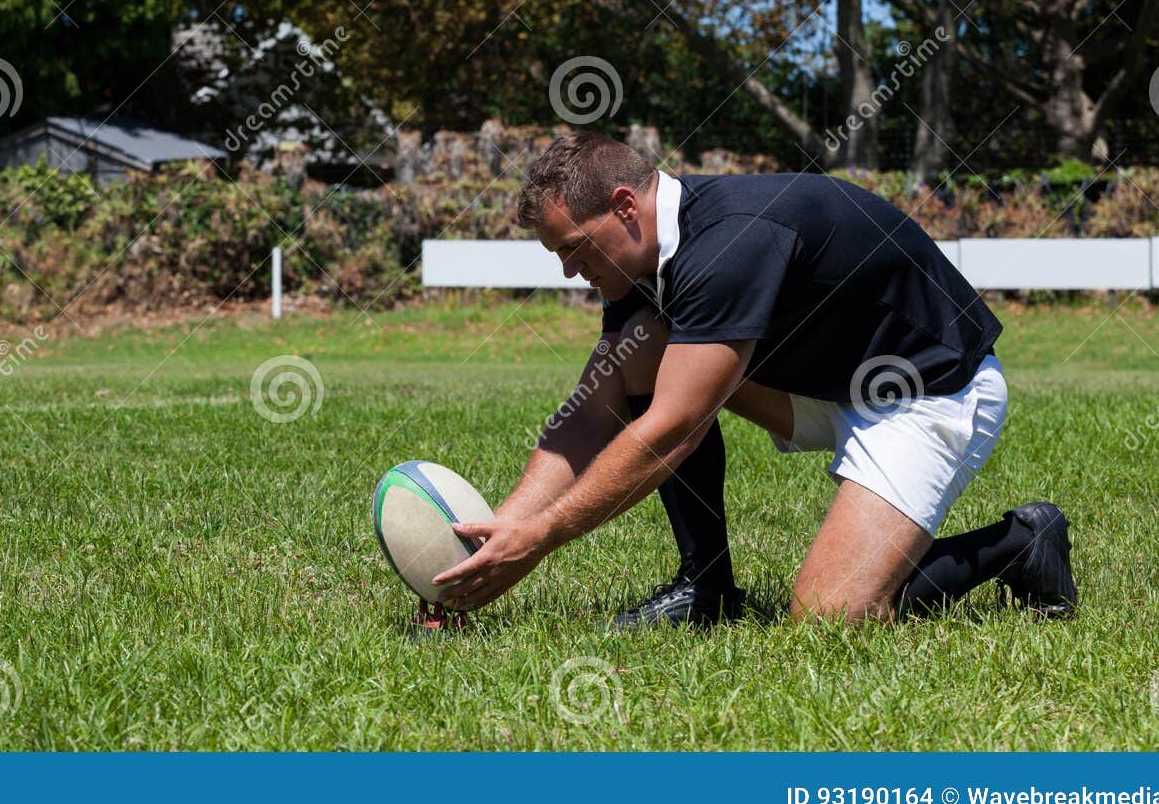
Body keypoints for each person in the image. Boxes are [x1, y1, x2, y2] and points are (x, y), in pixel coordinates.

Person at [433, 132, 1076, 624]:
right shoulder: (643, 258)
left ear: (625, 206)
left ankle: (1021, 541)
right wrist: (497, 539)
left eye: (574, 248)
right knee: (645, 358)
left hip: (928, 392)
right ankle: (706, 587)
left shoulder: (728, 243)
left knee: (830, 616)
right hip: (830, 386)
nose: (571, 272)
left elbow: (674, 428)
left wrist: (541, 538)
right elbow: (592, 410)